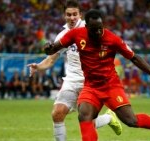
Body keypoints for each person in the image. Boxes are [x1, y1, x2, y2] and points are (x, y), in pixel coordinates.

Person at [44, 9, 150, 141]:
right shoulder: (76, 34)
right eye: (94, 30)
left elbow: (134, 57)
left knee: (131, 121)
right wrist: (48, 48)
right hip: (91, 87)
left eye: (100, 28)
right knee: (84, 115)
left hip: (110, 86)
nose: (98, 33)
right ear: (86, 27)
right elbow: (53, 49)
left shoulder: (112, 39)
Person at [27, 2, 122, 141]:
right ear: (64, 16)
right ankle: (109, 118)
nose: (72, 18)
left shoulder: (91, 29)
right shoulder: (63, 35)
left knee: (87, 121)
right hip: (71, 80)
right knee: (57, 113)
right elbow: (51, 59)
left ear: (80, 15)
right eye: (68, 14)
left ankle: (109, 118)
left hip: (90, 82)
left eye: (74, 14)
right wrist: (39, 66)